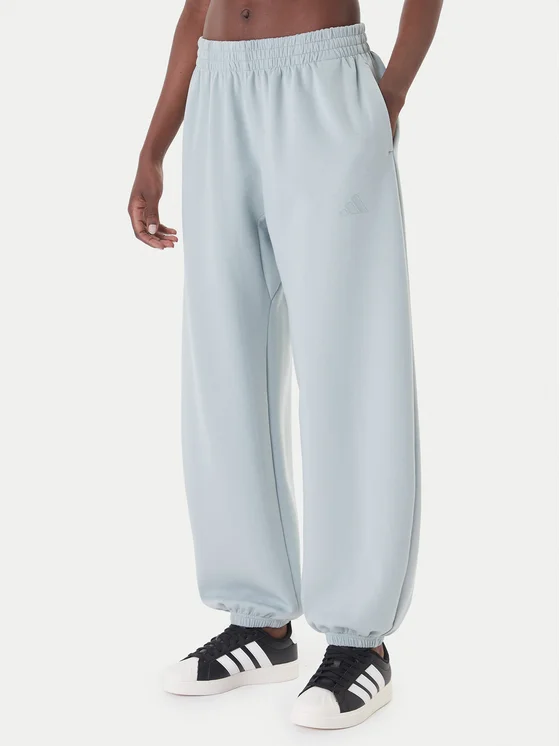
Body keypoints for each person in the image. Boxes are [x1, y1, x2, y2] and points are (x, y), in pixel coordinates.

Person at [129, 0, 442, 730]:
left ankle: (361, 640)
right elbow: (197, 7)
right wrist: (153, 147)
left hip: (323, 84)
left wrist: (390, 94)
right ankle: (260, 621)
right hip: (217, 91)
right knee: (222, 363)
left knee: (350, 365)